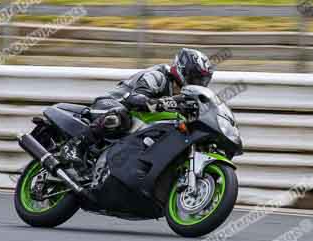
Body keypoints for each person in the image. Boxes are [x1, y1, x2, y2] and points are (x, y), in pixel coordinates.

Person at [61, 48, 215, 163]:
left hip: (137, 124)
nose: (199, 83)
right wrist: (165, 103)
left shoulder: (185, 97)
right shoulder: (158, 76)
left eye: (203, 81)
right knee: (121, 117)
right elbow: (135, 100)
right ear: (184, 70)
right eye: (196, 78)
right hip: (111, 105)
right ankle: (75, 146)